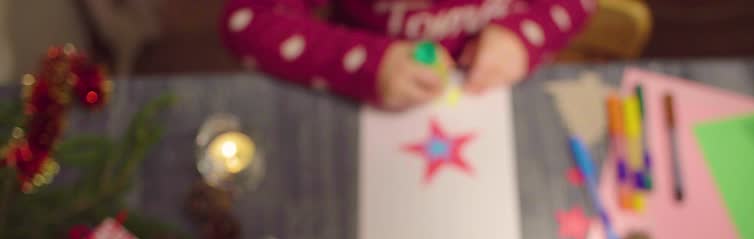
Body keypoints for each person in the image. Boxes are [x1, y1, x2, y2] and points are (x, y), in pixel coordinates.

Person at [221, 0, 594, 110]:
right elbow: (245, 20)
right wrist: (367, 61)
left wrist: (528, 33)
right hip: (369, 90)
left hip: (500, 91)